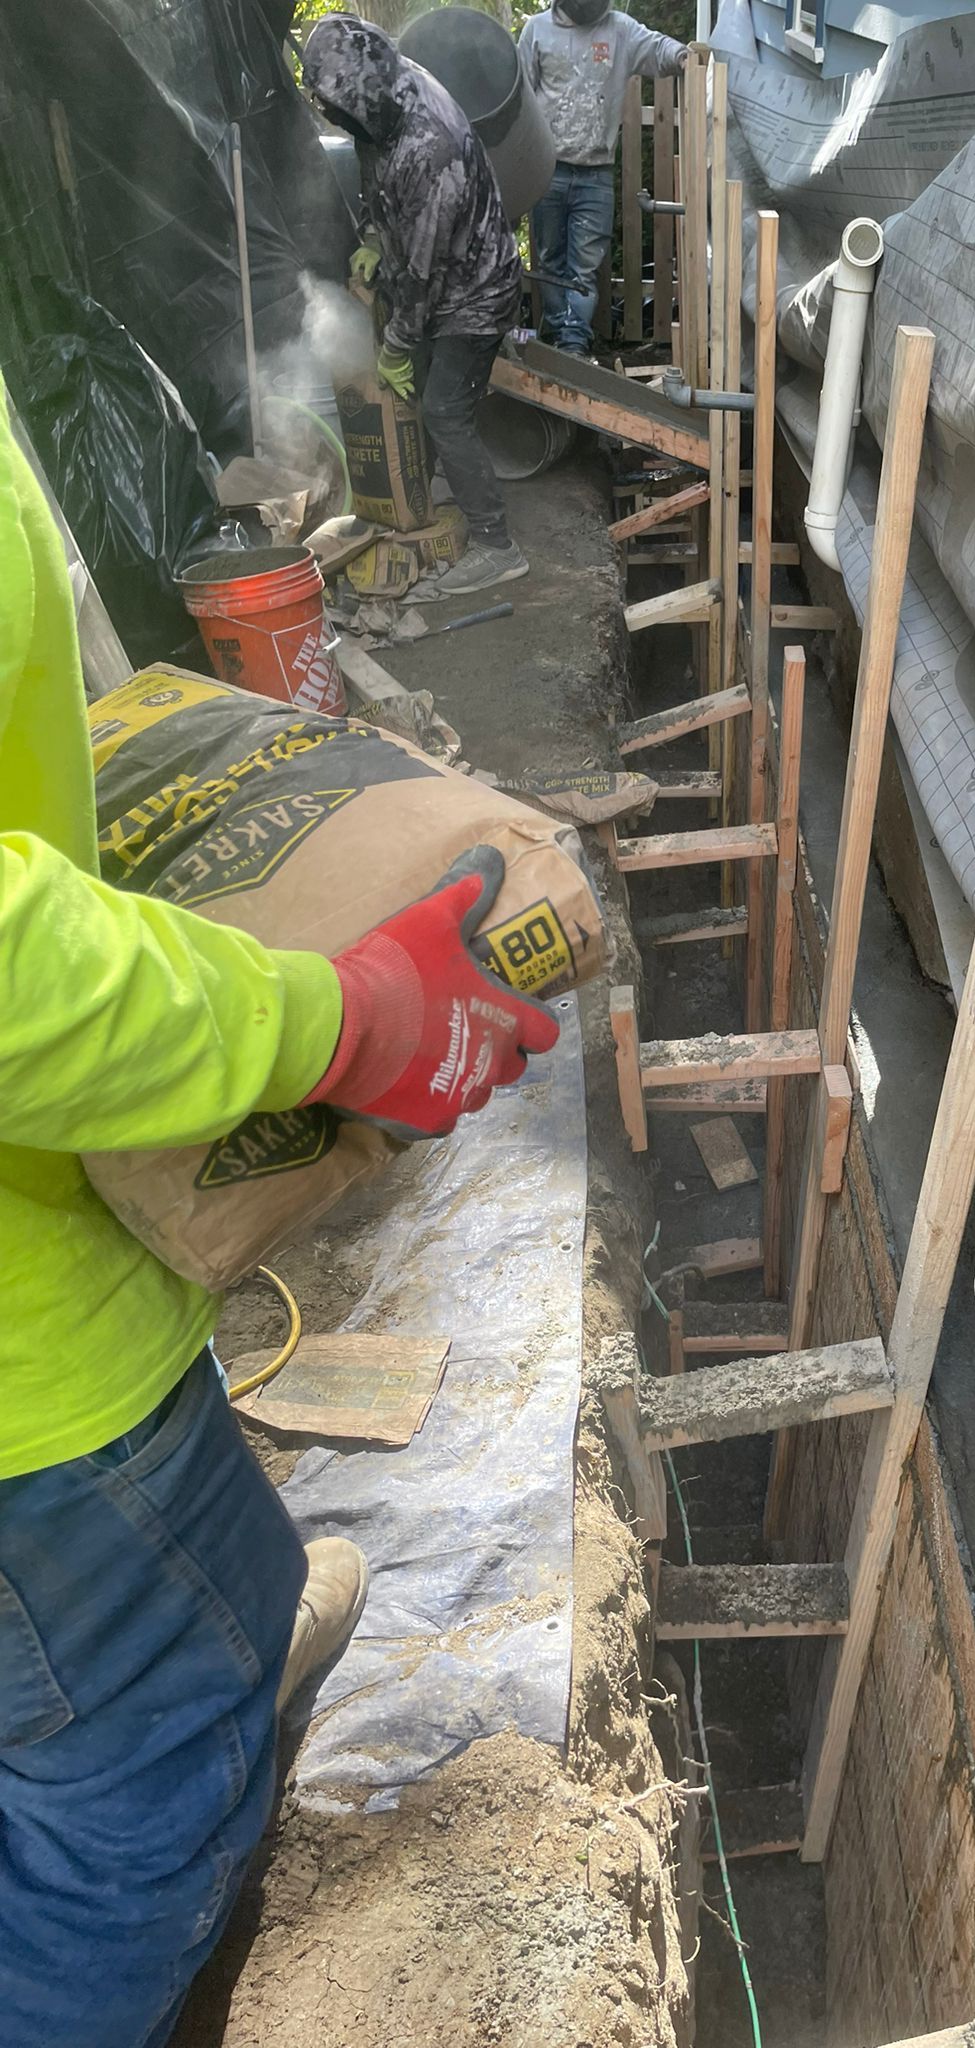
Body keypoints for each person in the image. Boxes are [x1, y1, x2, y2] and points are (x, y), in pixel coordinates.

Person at [0, 373, 561, 2046]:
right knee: (137, 1803)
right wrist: (340, 1015)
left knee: (215, 1595)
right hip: (30, 1378)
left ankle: (218, 1643)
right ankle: (175, 1732)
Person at [302, 13, 529, 596]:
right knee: (426, 399)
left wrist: (398, 345)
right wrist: (376, 236)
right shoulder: (383, 94)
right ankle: (413, 504)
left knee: (443, 410)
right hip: (442, 282)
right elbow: (377, 174)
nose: (336, 117)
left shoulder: (431, 146)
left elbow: (426, 277)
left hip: (476, 293)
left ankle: (496, 545)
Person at [521, 0, 691, 358]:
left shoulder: (620, 30)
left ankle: (574, 346)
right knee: (550, 258)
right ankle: (555, 339)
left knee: (585, 265)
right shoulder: (536, 30)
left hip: (595, 173)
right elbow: (521, 94)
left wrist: (684, 56)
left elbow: (658, 47)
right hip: (545, 170)